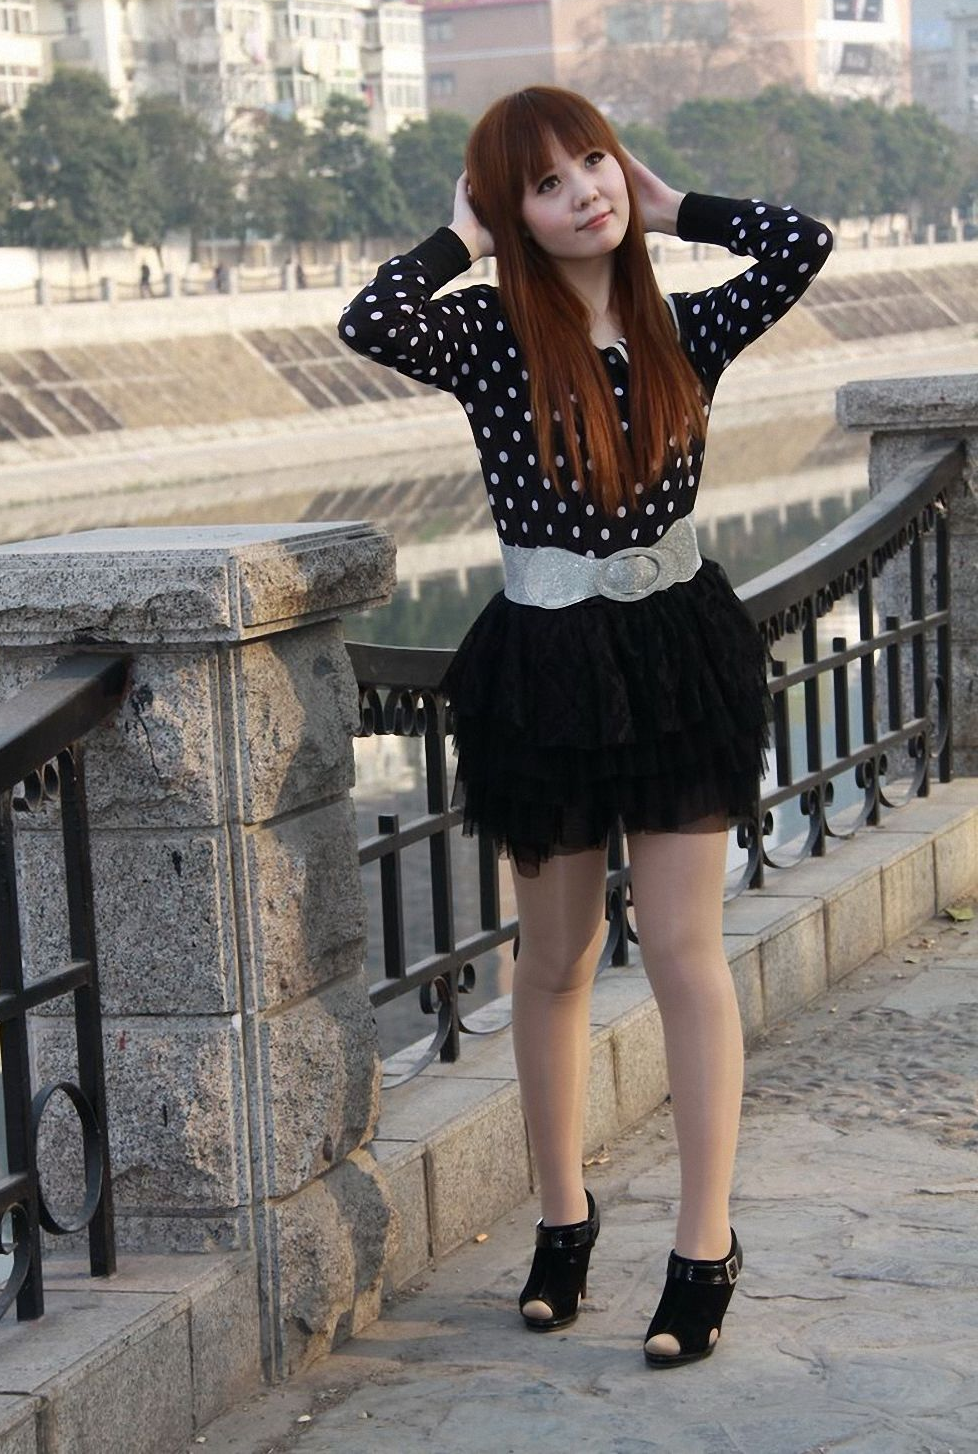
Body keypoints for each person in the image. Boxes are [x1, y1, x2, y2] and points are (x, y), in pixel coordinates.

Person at [338, 85, 833, 1368]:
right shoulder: (488, 334)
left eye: (594, 166)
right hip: (545, 669)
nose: (583, 196)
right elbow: (370, 318)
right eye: (546, 185)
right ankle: (563, 1221)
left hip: (674, 657)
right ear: (513, 214)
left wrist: (674, 209)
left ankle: (704, 1245)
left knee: (683, 948)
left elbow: (802, 242)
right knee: (553, 959)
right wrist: (464, 240)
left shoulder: (687, 325)